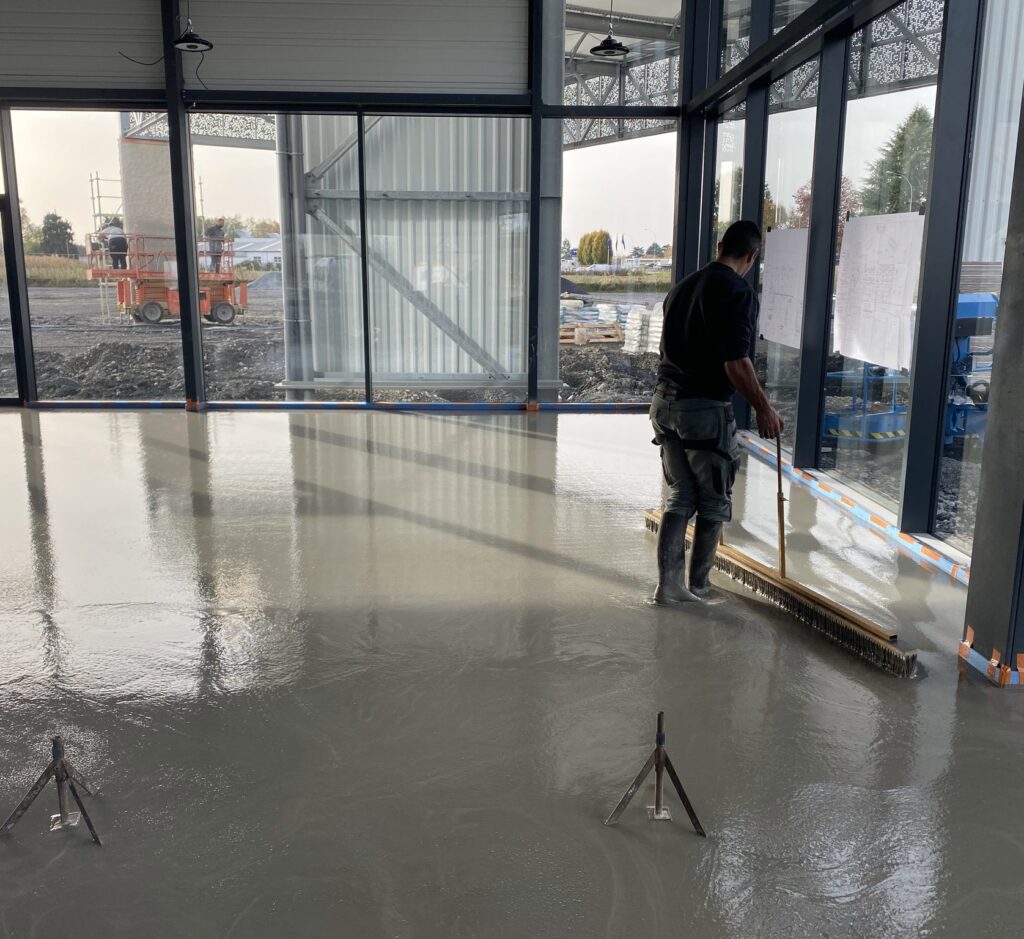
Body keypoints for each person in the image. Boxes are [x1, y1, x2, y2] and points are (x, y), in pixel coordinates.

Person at [651, 219, 783, 604]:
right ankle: (700, 587)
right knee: (714, 501)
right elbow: (735, 362)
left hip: (663, 404)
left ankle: (669, 587)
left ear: (720, 246)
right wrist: (764, 408)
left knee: (680, 495)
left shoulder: (682, 286)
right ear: (752, 256)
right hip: (703, 411)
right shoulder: (738, 292)